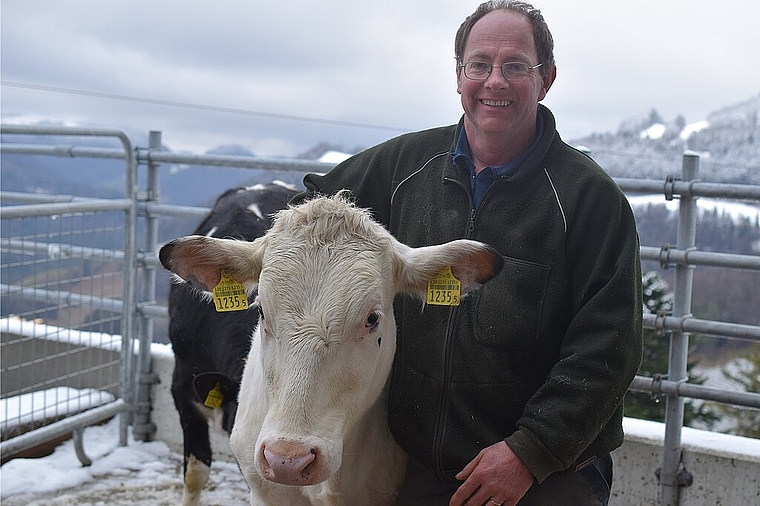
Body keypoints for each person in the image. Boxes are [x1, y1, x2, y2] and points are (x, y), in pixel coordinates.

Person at [294, 1, 643, 504]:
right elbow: (315, 210)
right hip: (420, 465)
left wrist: (530, 452)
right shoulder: (404, 167)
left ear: (547, 79)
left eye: (516, 66)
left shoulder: (588, 200)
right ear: (458, 76)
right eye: (479, 64)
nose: (494, 81)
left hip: (546, 474)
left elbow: (608, 348)